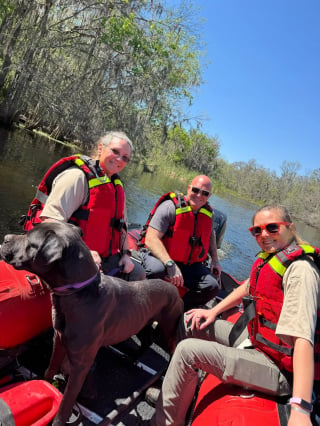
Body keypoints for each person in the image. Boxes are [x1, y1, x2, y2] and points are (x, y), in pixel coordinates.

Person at [151, 204, 320, 426]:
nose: (264, 235)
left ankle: (164, 423)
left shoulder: (301, 272)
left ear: (290, 227)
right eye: (257, 231)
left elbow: (303, 339)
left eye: (272, 227)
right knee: (190, 321)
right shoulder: (274, 258)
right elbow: (250, 286)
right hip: (258, 342)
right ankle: (176, 391)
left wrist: (300, 408)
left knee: (187, 351)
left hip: (279, 368)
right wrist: (212, 311)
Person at [22, 131, 146, 281]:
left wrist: (126, 255)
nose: (119, 159)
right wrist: (83, 252)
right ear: (100, 148)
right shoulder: (77, 177)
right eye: (115, 151)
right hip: (68, 254)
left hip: (103, 258)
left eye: (125, 158)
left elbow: (122, 226)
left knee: (138, 273)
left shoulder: (115, 187)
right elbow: (50, 222)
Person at [139, 175, 221, 311]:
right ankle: (144, 310)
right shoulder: (170, 207)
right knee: (155, 271)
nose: (199, 195)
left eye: (205, 193)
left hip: (189, 264)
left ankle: (177, 311)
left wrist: (215, 260)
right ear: (188, 188)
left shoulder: (207, 214)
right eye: (195, 190)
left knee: (212, 286)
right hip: (160, 257)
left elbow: (210, 234)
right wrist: (169, 263)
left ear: (209, 196)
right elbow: (150, 239)